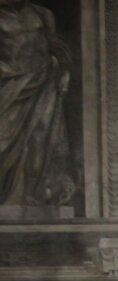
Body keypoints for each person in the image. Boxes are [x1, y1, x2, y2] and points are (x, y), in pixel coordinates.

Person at [0, 0, 76, 205]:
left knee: (40, 138)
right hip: (10, 85)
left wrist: (64, 71)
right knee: (3, 140)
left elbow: (55, 46)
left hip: (44, 81)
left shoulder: (43, 14)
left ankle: (34, 194)